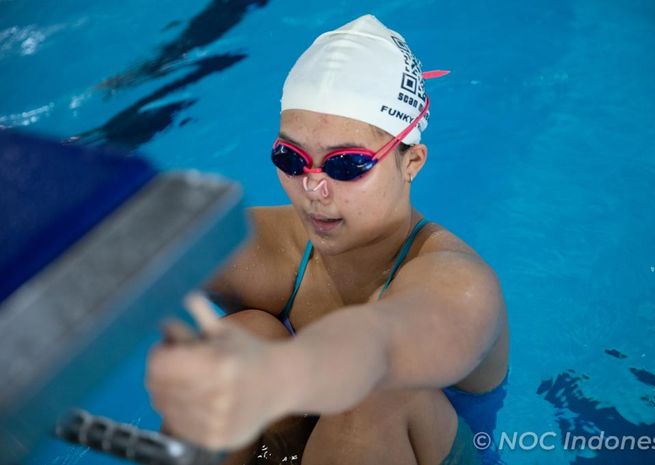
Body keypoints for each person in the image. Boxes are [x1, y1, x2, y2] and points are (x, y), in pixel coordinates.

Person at [147, 14, 510, 465]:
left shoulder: (461, 283)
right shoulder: (275, 250)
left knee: (373, 398)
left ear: (412, 162)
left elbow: (388, 342)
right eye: (292, 158)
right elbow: (139, 240)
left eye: (346, 165)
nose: (313, 189)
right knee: (237, 342)